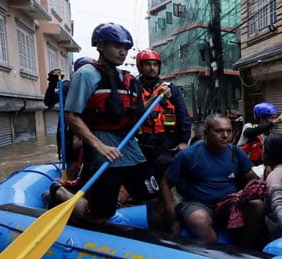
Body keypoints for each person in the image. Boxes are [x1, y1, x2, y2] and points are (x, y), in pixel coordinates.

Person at [61, 22, 165, 223]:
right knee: (102, 213)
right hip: (103, 149)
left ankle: (155, 241)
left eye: (126, 48)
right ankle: (60, 192)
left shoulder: (125, 78)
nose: (123, 52)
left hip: (129, 146)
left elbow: (138, 110)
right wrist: (99, 146)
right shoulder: (86, 75)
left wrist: (158, 96)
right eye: (117, 46)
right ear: (100, 46)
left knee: (154, 197)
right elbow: (71, 115)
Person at [160, 113, 265, 248]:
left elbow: (251, 177)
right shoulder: (188, 155)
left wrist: (243, 193)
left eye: (229, 131)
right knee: (199, 219)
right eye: (219, 131)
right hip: (197, 204)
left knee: (257, 205)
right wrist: (173, 218)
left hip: (229, 204)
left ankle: (243, 251)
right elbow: (165, 183)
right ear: (206, 133)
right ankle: (218, 257)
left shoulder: (236, 152)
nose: (225, 136)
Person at [133, 48, 192, 230]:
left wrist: (183, 141)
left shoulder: (170, 89)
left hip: (168, 145)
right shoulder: (133, 88)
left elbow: (183, 116)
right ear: (140, 67)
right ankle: (155, 229)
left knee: (171, 186)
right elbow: (132, 114)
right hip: (144, 146)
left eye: (155, 65)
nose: (152, 68)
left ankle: (175, 221)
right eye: (148, 65)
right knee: (152, 194)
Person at [44, 57, 94, 183]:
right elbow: (49, 101)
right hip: (69, 133)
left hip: (91, 132)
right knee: (72, 166)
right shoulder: (67, 86)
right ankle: (70, 186)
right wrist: (52, 84)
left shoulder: (98, 87)